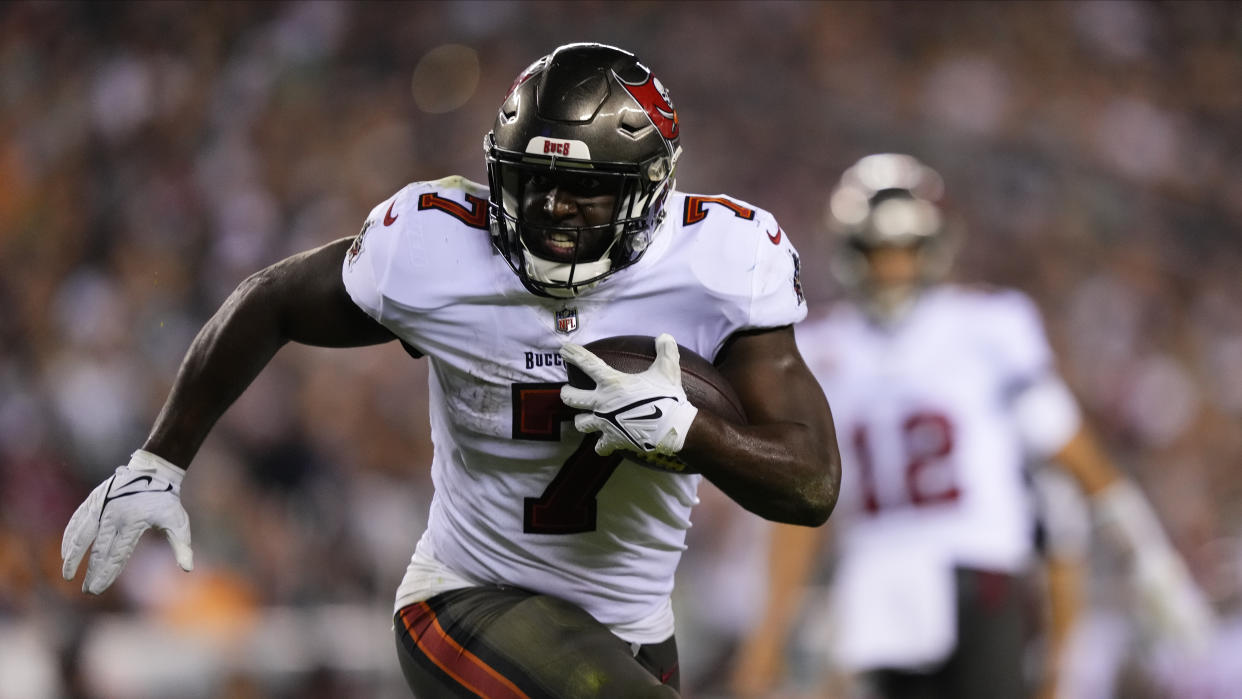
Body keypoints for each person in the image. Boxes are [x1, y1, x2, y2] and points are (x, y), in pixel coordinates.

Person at [59, 43, 840, 698]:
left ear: (648, 191)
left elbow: (811, 484)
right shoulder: (434, 246)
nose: (553, 208)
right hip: (467, 598)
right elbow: (271, 301)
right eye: (534, 180)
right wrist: (158, 461)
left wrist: (690, 432)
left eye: (586, 191)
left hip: (633, 626)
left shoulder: (721, 261)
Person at [731, 154, 1213, 699]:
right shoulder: (825, 350)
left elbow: (1074, 458)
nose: (892, 268)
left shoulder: (988, 327)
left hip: (975, 566)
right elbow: (803, 510)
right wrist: (767, 632)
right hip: (878, 578)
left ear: (933, 248)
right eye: (878, 252)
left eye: (905, 251)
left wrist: (1147, 557)